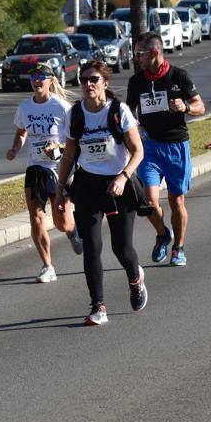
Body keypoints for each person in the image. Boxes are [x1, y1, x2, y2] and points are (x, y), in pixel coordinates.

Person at [56, 61, 148, 326]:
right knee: (92, 248)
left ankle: (135, 278)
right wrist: (62, 190)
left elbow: (138, 151)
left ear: (105, 83)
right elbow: (69, 155)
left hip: (118, 185)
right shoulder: (75, 114)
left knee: (122, 248)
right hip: (87, 185)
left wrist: (123, 177)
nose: (88, 84)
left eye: (93, 79)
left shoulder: (119, 111)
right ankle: (98, 306)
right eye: (84, 80)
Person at [126, 31, 205, 267]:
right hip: (149, 147)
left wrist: (185, 107)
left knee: (176, 201)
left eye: (140, 54)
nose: (136, 58)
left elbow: (200, 106)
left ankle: (178, 249)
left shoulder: (179, 77)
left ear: (154, 53)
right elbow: (127, 110)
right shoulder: (137, 81)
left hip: (176, 146)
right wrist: (132, 120)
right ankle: (163, 233)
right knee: (149, 200)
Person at [6, 60, 82, 284]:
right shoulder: (25, 108)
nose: (37, 81)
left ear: (50, 81)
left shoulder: (61, 107)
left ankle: (73, 230)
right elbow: (21, 132)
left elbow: (73, 139)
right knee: (36, 218)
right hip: (35, 168)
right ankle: (48, 266)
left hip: (59, 168)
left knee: (62, 223)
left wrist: (58, 149)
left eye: (41, 77)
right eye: (33, 77)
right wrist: (15, 148)